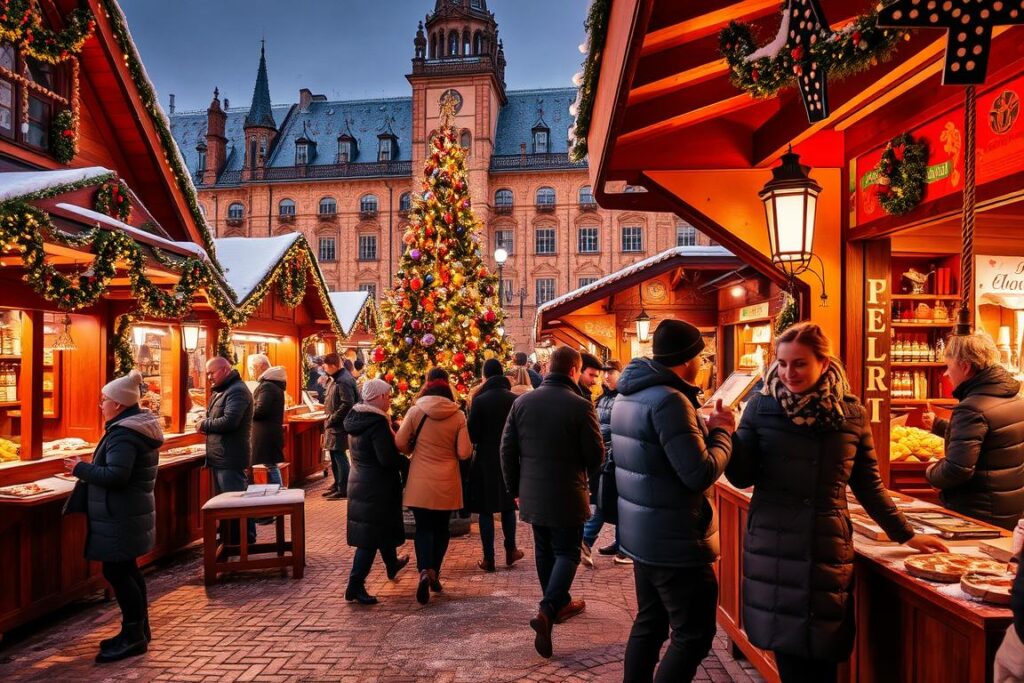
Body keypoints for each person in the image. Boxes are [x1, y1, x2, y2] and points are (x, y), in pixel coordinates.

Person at [727, 322, 947, 682]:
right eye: (782, 364)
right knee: (791, 660)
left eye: (799, 363)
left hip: (826, 547)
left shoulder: (851, 414)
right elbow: (741, 476)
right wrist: (725, 435)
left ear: (824, 363)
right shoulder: (761, 409)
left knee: (825, 657)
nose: (788, 373)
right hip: (774, 547)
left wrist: (906, 535)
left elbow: (869, 485)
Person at [612, 321, 735, 682]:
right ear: (688, 359)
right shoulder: (669, 400)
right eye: (701, 356)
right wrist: (723, 433)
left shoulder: (630, 393)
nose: (703, 363)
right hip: (675, 540)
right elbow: (698, 473)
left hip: (643, 535)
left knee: (650, 623)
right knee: (693, 636)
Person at [500, 346, 604, 658]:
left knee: (545, 550)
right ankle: (549, 608)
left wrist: (514, 488)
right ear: (574, 370)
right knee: (568, 553)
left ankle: (556, 604)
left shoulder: (523, 402)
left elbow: (506, 450)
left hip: (532, 492)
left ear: (548, 368)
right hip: (567, 492)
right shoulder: (580, 406)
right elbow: (595, 455)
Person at [67, 370, 162, 663]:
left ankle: (133, 636)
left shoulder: (123, 433)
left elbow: (117, 476)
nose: (101, 405)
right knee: (126, 570)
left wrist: (79, 468)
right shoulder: (132, 427)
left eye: (104, 400)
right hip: (126, 512)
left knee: (118, 572)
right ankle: (137, 630)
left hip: (120, 514)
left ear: (119, 404)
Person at [921, 332, 1024, 530]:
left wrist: (931, 472)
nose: (946, 374)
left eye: (949, 367)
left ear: (965, 367)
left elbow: (957, 470)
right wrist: (939, 425)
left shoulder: (971, 408)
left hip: (977, 515)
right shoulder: (1015, 398)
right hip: (1010, 512)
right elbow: (994, 440)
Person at [397, 368, 472, 604]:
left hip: (420, 481)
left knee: (423, 529)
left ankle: (422, 571)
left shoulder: (415, 411)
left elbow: (400, 442)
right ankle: (434, 573)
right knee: (441, 530)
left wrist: (412, 450)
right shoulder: (458, 415)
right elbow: (464, 452)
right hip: (446, 482)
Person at [343, 379, 411, 605]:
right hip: (375, 485)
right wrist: (404, 462)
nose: (390, 400)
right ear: (380, 397)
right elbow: (386, 458)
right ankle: (355, 584)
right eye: (388, 396)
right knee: (369, 539)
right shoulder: (377, 423)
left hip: (361, 481)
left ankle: (392, 564)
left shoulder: (357, 417)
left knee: (380, 528)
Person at [467, 359, 524, 572]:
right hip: (509, 458)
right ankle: (511, 549)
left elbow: (473, 434)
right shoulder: (514, 399)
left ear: (485, 376)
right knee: (508, 505)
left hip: (485, 459)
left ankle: (488, 558)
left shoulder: (479, 400)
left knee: (485, 510)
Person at [200, 356, 255, 545]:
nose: (209, 377)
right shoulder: (224, 390)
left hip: (230, 456)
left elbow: (230, 421)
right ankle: (231, 539)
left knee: (235, 501)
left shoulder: (237, 391)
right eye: (207, 373)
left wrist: (203, 424)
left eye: (211, 373)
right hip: (222, 456)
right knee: (227, 502)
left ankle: (243, 541)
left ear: (224, 370)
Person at [581, 359, 626, 568]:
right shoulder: (601, 399)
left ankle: (587, 540)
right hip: (605, 456)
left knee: (609, 501)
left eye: (611, 372)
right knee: (607, 499)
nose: (607, 376)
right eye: (604, 373)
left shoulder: (624, 398)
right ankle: (621, 545)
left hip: (617, 457)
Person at [323, 353, 358, 500]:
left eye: (325, 365)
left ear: (333, 366)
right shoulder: (336, 378)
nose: (324, 368)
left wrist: (333, 418)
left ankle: (343, 488)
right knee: (334, 454)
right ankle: (338, 483)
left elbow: (347, 403)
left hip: (340, 426)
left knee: (339, 455)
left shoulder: (343, 380)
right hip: (335, 424)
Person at [249, 354, 286, 488]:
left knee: (270, 465)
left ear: (263, 366)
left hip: (265, 433)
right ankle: (278, 494)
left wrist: (246, 411)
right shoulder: (274, 384)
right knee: (270, 464)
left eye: (253, 367)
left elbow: (261, 410)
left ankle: (278, 495)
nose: (252, 371)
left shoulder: (267, 386)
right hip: (269, 432)